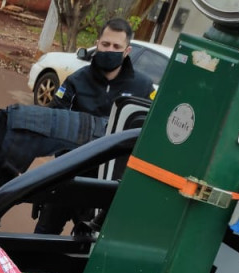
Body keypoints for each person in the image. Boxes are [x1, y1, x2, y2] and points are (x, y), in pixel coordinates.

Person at [34, 18, 154, 234]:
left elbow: (148, 135)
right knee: (44, 235)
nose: (110, 50)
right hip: (68, 175)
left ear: (127, 50)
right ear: (97, 44)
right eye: (105, 44)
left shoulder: (143, 88)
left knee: (88, 246)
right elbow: (54, 120)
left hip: (106, 186)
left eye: (116, 47)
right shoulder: (76, 81)